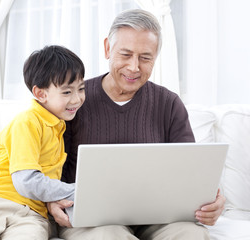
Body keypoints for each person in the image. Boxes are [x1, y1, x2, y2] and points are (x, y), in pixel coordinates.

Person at [47, 9, 226, 240]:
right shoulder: (73, 100)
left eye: (145, 57)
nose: (134, 67)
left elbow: (192, 173)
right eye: (126, 54)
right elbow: (46, 167)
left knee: (192, 234)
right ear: (107, 49)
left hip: (158, 218)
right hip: (93, 220)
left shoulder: (169, 103)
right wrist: (51, 200)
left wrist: (216, 200)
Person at [0, 45, 85, 240]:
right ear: (41, 94)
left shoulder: (59, 128)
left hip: (34, 215)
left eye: (81, 88)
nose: (77, 99)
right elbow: (26, 181)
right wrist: (80, 191)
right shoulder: (28, 121)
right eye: (67, 92)